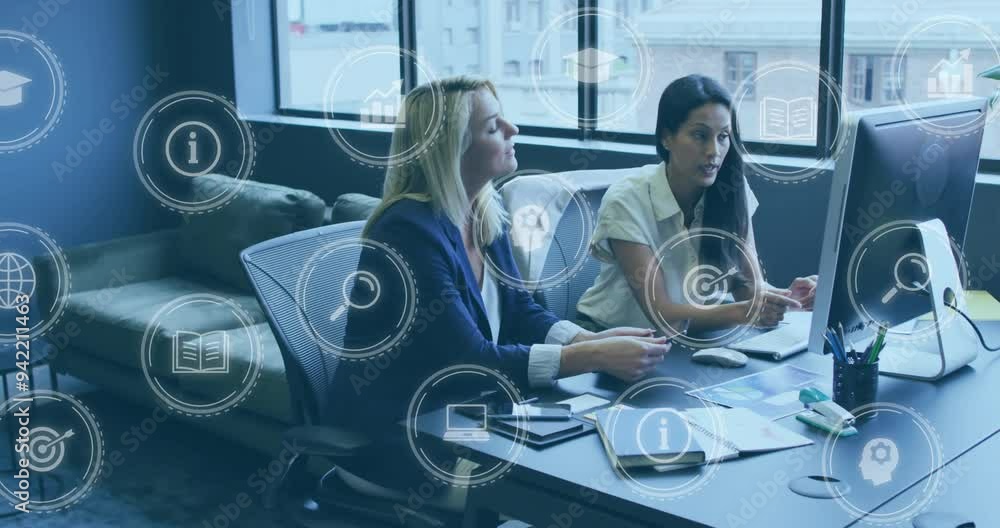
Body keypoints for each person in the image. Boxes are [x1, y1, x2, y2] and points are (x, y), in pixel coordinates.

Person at [327, 77, 669, 501]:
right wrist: (592, 356)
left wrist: (589, 338)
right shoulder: (406, 231)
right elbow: (468, 358)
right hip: (397, 441)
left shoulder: (484, 210)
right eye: (493, 127)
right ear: (450, 150)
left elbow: (521, 309)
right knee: (573, 491)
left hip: (469, 418)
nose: (514, 130)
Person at [576, 74, 817, 336]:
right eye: (700, 135)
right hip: (607, 339)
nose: (714, 150)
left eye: (723, 136)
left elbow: (748, 288)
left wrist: (788, 299)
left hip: (685, 340)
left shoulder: (732, 193)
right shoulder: (626, 201)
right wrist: (745, 312)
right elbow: (664, 315)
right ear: (667, 138)